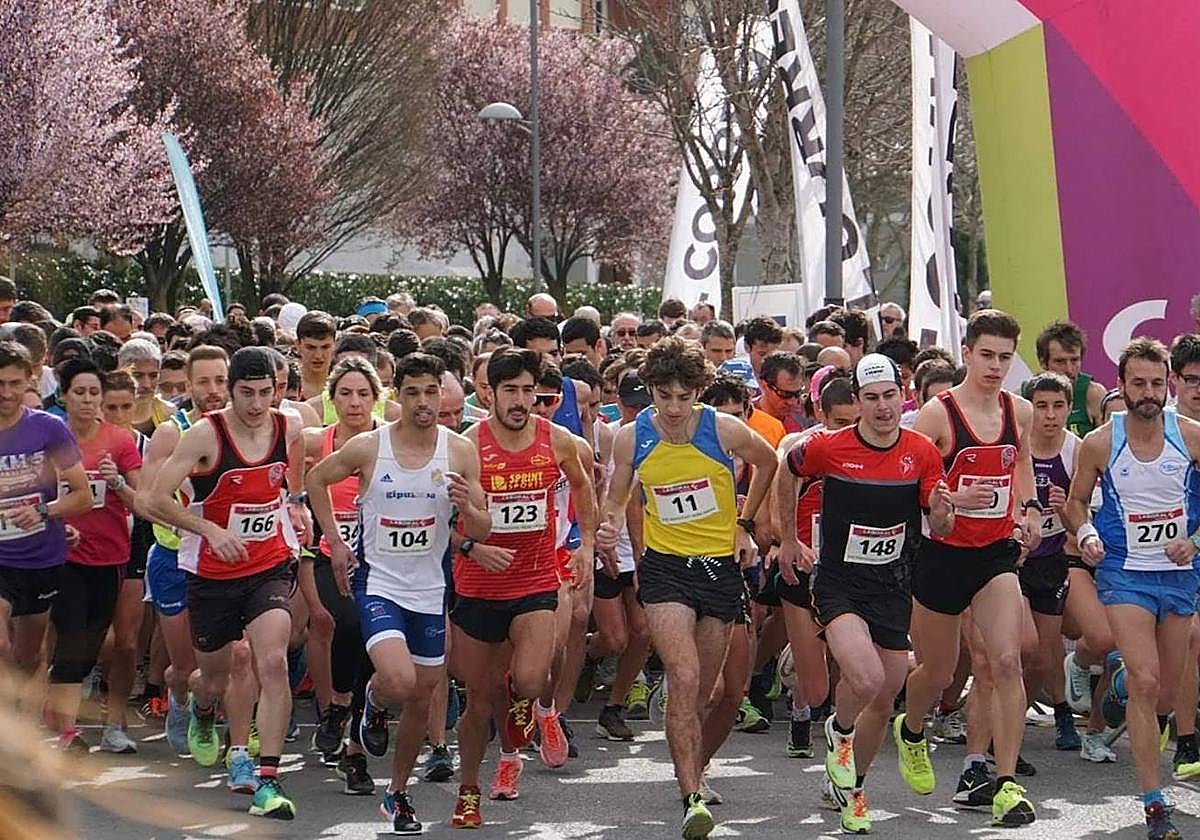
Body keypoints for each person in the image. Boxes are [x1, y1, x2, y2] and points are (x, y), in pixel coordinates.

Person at [597, 336, 778, 839]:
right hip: (666, 567)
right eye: (663, 396)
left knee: (709, 688)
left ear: (697, 392)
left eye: (683, 396)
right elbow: (615, 498)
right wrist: (609, 525)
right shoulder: (632, 437)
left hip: (718, 567)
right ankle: (691, 797)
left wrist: (744, 522)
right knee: (683, 673)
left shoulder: (721, 429)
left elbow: (770, 463)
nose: (673, 408)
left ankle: (694, 768)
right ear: (650, 391)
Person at [307, 352, 491, 834]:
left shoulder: (460, 450)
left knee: (422, 692)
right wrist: (336, 544)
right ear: (398, 396)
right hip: (379, 583)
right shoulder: (370, 447)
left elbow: (485, 525)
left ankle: (397, 793)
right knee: (400, 680)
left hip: (431, 588)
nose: (424, 402)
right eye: (413, 392)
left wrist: (467, 505)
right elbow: (315, 479)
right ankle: (371, 697)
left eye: (432, 392)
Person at [778, 354, 953, 833]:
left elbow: (940, 523)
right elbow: (787, 472)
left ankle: (852, 785)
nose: (882, 408)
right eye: (871, 398)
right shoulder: (827, 447)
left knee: (886, 689)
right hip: (839, 582)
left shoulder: (921, 451)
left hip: (893, 583)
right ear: (856, 402)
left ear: (904, 396)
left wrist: (942, 510)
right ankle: (838, 731)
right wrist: (788, 538)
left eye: (889, 396)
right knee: (869, 677)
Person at [141, 347, 311, 820]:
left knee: (266, 660)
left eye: (265, 393)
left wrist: (295, 504)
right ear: (230, 391)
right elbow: (153, 499)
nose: (257, 405)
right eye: (246, 394)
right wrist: (210, 530)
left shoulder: (288, 426)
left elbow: (292, 469)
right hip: (212, 574)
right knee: (213, 675)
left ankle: (262, 774)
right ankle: (200, 704)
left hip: (269, 564)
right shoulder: (204, 436)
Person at [897, 309, 1042, 828]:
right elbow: (911, 485)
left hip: (995, 553)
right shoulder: (937, 415)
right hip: (943, 555)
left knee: (1005, 660)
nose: (996, 366)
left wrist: (1028, 509)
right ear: (967, 353)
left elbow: (1019, 463)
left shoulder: (1017, 411)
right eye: (987, 355)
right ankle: (911, 729)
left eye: (1005, 357)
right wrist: (954, 496)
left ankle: (1004, 784)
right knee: (936, 670)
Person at [448, 348, 596, 829]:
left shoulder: (557, 440)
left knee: (530, 679)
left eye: (528, 391)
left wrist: (586, 543)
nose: (520, 401)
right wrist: (472, 548)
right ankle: (469, 789)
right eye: (509, 390)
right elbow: (444, 519)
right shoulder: (467, 445)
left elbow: (582, 485)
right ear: (488, 392)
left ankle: (517, 736)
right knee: (478, 699)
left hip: (535, 578)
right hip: (478, 585)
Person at [1064, 337, 1200, 840]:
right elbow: (1076, 502)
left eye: (1156, 383)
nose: (1148, 392)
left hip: (1179, 574)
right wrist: (1087, 533)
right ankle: (1153, 802)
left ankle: (1118, 685)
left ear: (1169, 385)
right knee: (1147, 681)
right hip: (1125, 574)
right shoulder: (1100, 441)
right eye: (1138, 383)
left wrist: (1196, 542)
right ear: (1120, 386)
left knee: (1164, 693)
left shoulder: (1192, 436)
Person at [46, 359, 142, 753]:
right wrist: (57, 524)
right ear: (64, 396)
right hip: (63, 555)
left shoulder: (119, 441)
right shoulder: (50, 439)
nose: (87, 401)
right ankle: (68, 733)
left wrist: (117, 482)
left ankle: (76, 703)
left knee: (95, 643)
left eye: (93, 393)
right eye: (80, 393)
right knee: (71, 637)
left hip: (111, 554)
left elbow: (144, 500)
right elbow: (35, 498)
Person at [300, 358, 381, 790]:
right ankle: (339, 703)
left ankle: (354, 748)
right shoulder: (317, 442)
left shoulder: (388, 440)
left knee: (373, 638)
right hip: (329, 555)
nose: (354, 402)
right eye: (345, 394)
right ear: (332, 400)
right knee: (347, 623)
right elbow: (299, 493)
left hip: (381, 560)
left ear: (376, 398)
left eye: (363, 393)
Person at [0, 341, 91, 680]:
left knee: (26, 656)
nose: (7, 393)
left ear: (30, 381)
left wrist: (43, 512)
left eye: (14, 383)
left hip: (40, 558)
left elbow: (82, 496)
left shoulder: (49, 429)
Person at [1020, 373, 1083, 753]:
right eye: (1041, 406)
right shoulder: (1016, 443)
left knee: (1044, 655)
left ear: (1069, 408)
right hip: (1016, 562)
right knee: (1023, 648)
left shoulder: (1075, 450)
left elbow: (1086, 513)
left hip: (1053, 561)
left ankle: (1057, 712)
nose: (1049, 415)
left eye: (1058, 406)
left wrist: (1066, 509)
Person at [1033, 320, 1107, 437]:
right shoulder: (1025, 395)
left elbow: (1108, 446)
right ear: (1043, 363)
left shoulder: (1094, 394)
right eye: (1060, 361)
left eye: (1074, 360)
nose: (1069, 369)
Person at [295, 311, 337, 400]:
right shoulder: (286, 386)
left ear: (335, 345)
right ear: (298, 345)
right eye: (311, 347)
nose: (318, 355)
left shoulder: (345, 385)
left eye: (325, 347)